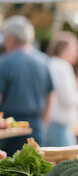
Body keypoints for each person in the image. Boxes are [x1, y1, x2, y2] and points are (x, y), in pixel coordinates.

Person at [0, 15, 54, 153]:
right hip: (36, 126)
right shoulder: (44, 61)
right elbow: (51, 96)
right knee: (34, 171)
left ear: (11, 38)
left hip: (9, 129)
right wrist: (43, 125)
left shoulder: (5, 62)